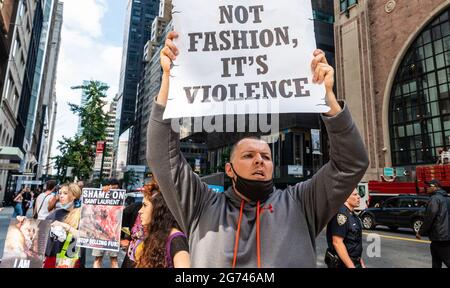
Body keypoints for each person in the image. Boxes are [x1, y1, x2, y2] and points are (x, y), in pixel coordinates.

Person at [146, 32, 369, 267]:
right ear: (229, 169)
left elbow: (351, 164)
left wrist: (328, 100)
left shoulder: (302, 203)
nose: (259, 160)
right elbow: (162, 156)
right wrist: (170, 81)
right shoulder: (201, 204)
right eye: (248, 155)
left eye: (266, 156)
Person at [134, 181, 190, 268]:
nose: (140, 211)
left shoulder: (176, 239)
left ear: (158, 209)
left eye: (145, 205)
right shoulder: (155, 235)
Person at [44, 182, 85, 268]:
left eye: (65, 193)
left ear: (74, 196)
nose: (61, 196)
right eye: (60, 193)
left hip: (72, 261)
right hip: (52, 259)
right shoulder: (56, 213)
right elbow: (40, 229)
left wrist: (65, 226)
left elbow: (85, 236)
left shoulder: (82, 214)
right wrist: (24, 221)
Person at [325, 189, 365, 268]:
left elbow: (355, 242)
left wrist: (361, 262)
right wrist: (351, 266)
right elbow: (337, 242)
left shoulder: (353, 215)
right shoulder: (341, 215)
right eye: (355, 194)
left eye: (358, 194)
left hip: (355, 262)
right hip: (343, 264)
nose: (359, 197)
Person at [417, 179, 450, 268]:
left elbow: (429, 217)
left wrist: (420, 232)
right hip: (443, 236)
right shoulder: (447, 198)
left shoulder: (434, 199)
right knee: (436, 262)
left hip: (440, 237)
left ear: (435, 187)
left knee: (446, 260)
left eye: (429, 186)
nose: (426, 188)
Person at [92, 178, 121, 268]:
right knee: (98, 258)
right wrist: (102, 193)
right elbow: (93, 208)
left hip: (113, 234)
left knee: (114, 259)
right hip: (100, 232)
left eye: (117, 189)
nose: (115, 191)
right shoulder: (100, 196)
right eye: (113, 188)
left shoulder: (120, 199)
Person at [120, 200, 143, 268]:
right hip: (130, 258)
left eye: (145, 205)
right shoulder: (136, 207)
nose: (140, 211)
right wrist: (122, 238)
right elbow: (119, 221)